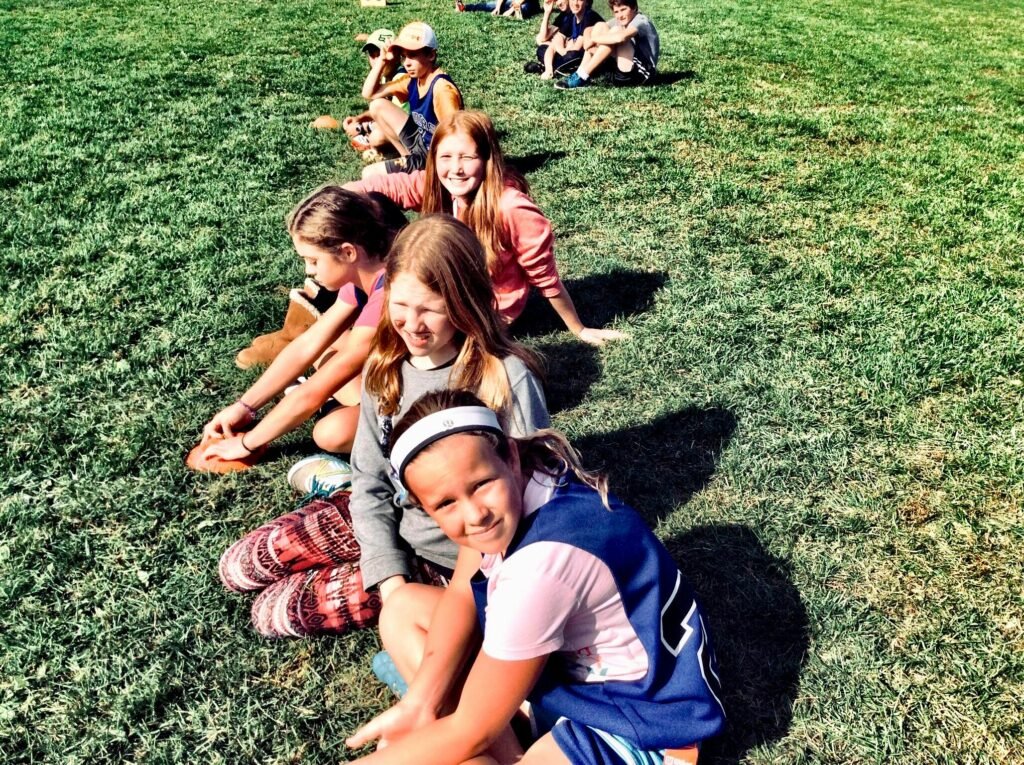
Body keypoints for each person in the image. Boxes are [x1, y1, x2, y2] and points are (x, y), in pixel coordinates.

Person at [344, 389, 726, 765]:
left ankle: (509, 739)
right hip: (579, 675)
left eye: (480, 485)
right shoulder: (532, 474)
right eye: (446, 502)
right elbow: (462, 590)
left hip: (639, 722)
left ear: (509, 455)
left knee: (462, 747)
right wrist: (420, 702)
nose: (475, 514)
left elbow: (471, 731)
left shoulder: (542, 566)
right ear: (423, 507)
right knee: (403, 608)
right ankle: (506, 736)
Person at [217, 215, 549, 638]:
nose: (412, 324)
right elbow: (371, 479)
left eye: (430, 308)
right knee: (239, 567)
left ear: (465, 300)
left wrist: (409, 596)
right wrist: (388, 576)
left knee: (274, 613)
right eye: (400, 306)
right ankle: (337, 490)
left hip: (451, 558)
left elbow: (534, 502)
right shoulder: (385, 369)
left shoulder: (504, 377)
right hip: (383, 519)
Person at [347, 111, 628, 346]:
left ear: (486, 159)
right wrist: (340, 195)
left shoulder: (510, 207)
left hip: (487, 311)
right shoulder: (441, 188)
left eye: (467, 158)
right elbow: (393, 187)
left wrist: (578, 328)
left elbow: (544, 276)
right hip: (444, 291)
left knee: (390, 319)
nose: (455, 168)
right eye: (445, 157)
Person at [198, 187, 405, 469]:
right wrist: (244, 407)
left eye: (313, 260)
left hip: (436, 397)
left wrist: (247, 443)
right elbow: (308, 344)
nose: (309, 270)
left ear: (347, 252)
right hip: (399, 375)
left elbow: (316, 390)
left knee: (330, 433)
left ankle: (344, 413)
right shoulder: (365, 271)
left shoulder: (391, 293)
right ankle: (342, 406)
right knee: (330, 346)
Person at [359, 22, 464, 178]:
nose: (406, 63)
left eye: (413, 55)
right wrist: (382, 61)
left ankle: (418, 174)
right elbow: (370, 94)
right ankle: (408, 162)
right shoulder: (412, 80)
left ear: (431, 55)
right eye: (404, 57)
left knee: (368, 174)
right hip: (421, 146)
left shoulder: (441, 90)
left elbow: (456, 139)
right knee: (377, 105)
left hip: (435, 159)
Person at [555, 0, 659, 89]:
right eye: (616, 12)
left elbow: (620, 38)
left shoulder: (641, 20)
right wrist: (590, 40)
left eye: (623, 10)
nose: (620, 15)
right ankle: (580, 72)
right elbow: (588, 29)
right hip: (621, 72)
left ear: (634, 8)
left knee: (616, 32)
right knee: (601, 26)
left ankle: (582, 76)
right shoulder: (620, 20)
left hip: (640, 74)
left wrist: (593, 40)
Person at [526, 0, 603, 80]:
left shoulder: (589, 16)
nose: (575, 3)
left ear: (587, 2)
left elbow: (576, 49)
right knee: (541, 49)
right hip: (568, 55)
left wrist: (562, 47)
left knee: (572, 56)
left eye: (580, 0)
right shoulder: (572, 16)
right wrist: (549, 70)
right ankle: (553, 69)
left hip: (590, 59)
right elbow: (554, 44)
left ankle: (545, 67)